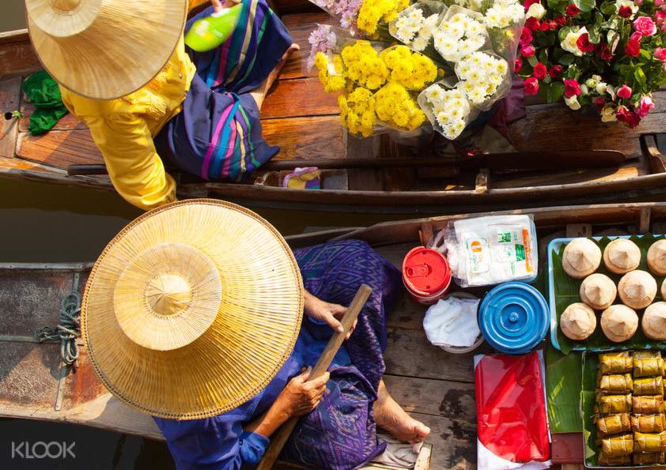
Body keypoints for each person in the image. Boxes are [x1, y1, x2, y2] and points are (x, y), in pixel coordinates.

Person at [80, 199, 430, 470]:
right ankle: (372, 396)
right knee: (343, 446)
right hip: (289, 388)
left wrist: (307, 301)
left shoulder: (176, 258)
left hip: (287, 315)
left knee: (357, 262)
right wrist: (281, 409)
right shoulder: (195, 412)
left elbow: (265, 266)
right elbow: (226, 465)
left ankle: (377, 395)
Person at [24, 0, 298, 211]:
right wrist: (173, 213)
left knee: (250, 8)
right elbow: (138, 177)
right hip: (169, 119)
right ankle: (259, 87)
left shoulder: (133, 0)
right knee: (223, 155)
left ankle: (232, 102)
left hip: (184, 71)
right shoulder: (108, 106)